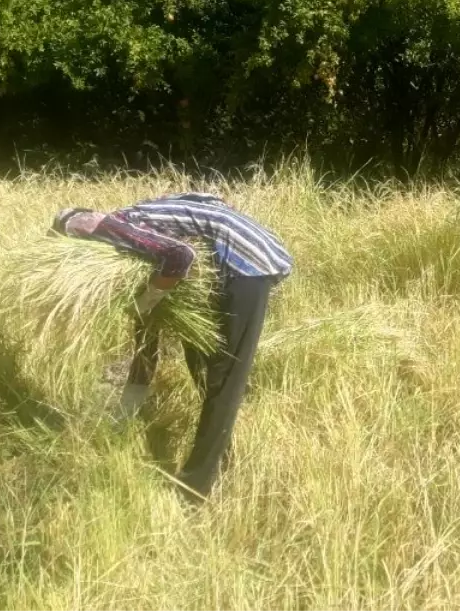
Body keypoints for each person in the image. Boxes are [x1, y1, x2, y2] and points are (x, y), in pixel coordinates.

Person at [50, 192, 292, 502]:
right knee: (200, 363)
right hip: (243, 251)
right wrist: (127, 408)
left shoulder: (113, 229)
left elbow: (181, 256)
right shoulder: (139, 216)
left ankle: (194, 489)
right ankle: (222, 456)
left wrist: (148, 299)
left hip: (248, 264)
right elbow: (212, 199)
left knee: (224, 377)